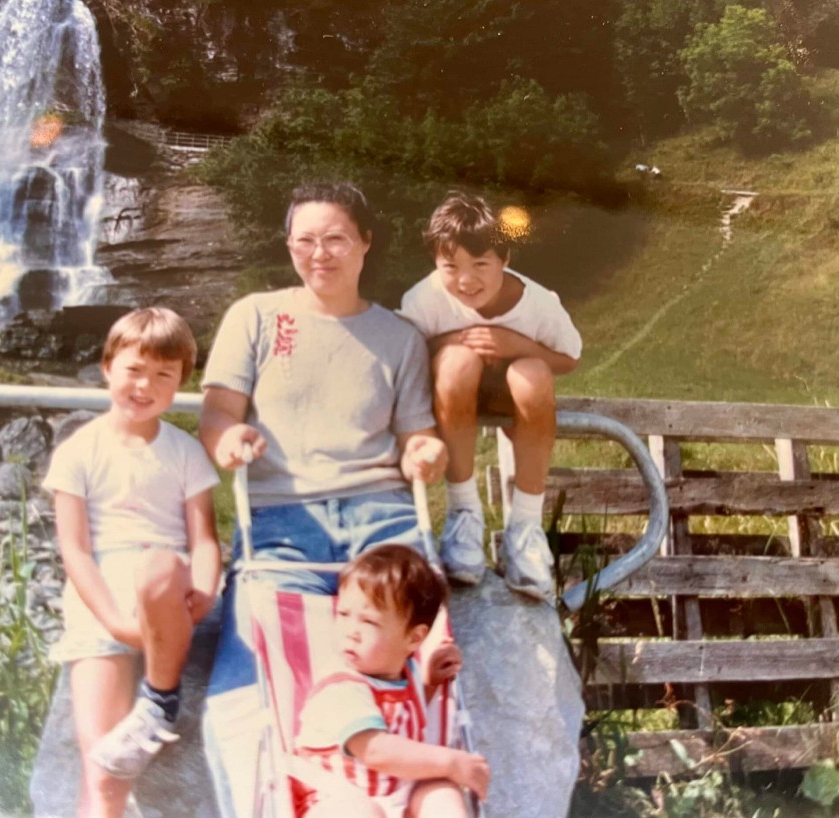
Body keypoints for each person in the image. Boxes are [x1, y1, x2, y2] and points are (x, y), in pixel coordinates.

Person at [198, 182, 447, 812]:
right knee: (242, 683)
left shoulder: (399, 337)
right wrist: (230, 442)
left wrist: (424, 451)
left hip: (380, 519)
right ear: (288, 247)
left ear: (365, 242)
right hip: (284, 522)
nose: (320, 253)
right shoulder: (255, 316)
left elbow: (416, 433)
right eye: (305, 240)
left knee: (426, 660)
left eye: (336, 237)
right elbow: (217, 415)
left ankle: (422, 796)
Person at [43, 307, 221, 818]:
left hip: (166, 595)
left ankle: (159, 698)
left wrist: (204, 592)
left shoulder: (184, 451)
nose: (145, 386)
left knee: (161, 565)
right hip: (102, 605)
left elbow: (204, 539)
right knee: (103, 773)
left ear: (180, 383)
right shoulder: (80, 451)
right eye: (134, 370)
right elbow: (74, 549)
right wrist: (116, 623)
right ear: (107, 368)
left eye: (163, 376)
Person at [399, 191, 582, 599]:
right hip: (453, 395)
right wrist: (453, 340)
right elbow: (405, 353)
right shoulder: (423, 299)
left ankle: (526, 530)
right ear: (435, 263)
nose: (466, 280)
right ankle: (464, 516)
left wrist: (514, 343)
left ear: (505, 259)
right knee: (457, 361)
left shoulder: (537, 302)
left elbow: (569, 358)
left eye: (481, 264)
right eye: (451, 266)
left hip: (515, 397)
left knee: (533, 372)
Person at [292, 546, 490, 818]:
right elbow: (376, 750)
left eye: (369, 622)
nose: (351, 632)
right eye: (344, 614)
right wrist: (451, 762)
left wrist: (429, 683)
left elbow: (402, 718)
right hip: (336, 798)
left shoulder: (405, 673)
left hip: (396, 793)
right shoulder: (341, 685)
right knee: (358, 812)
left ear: (414, 638)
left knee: (442, 795)